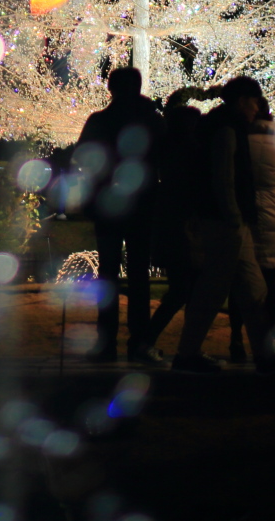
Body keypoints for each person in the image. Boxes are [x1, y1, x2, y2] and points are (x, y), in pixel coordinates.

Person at [173, 76, 275, 374]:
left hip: (227, 221)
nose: (258, 107)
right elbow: (224, 178)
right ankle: (189, 354)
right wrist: (233, 217)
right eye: (254, 101)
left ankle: (262, 354)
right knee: (218, 290)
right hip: (226, 223)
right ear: (242, 100)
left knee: (251, 289)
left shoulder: (222, 126)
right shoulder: (227, 129)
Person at [73, 66, 164, 364]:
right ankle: (138, 342)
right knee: (139, 275)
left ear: (111, 89)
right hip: (143, 204)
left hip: (109, 204)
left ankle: (106, 343)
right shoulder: (152, 121)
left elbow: (82, 156)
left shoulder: (101, 121)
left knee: (108, 273)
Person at [227, 99, 275, 361]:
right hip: (273, 218)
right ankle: (266, 343)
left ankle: (236, 338)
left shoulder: (237, 142)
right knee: (270, 283)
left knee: (240, 281)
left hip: (244, 215)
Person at [143, 91, 210, 351]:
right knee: (185, 290)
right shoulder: (190, 156)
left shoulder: (166, 155)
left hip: (172, 230)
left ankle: (163, 343)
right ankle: (166, 344)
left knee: (183, 289)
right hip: (184, 232)